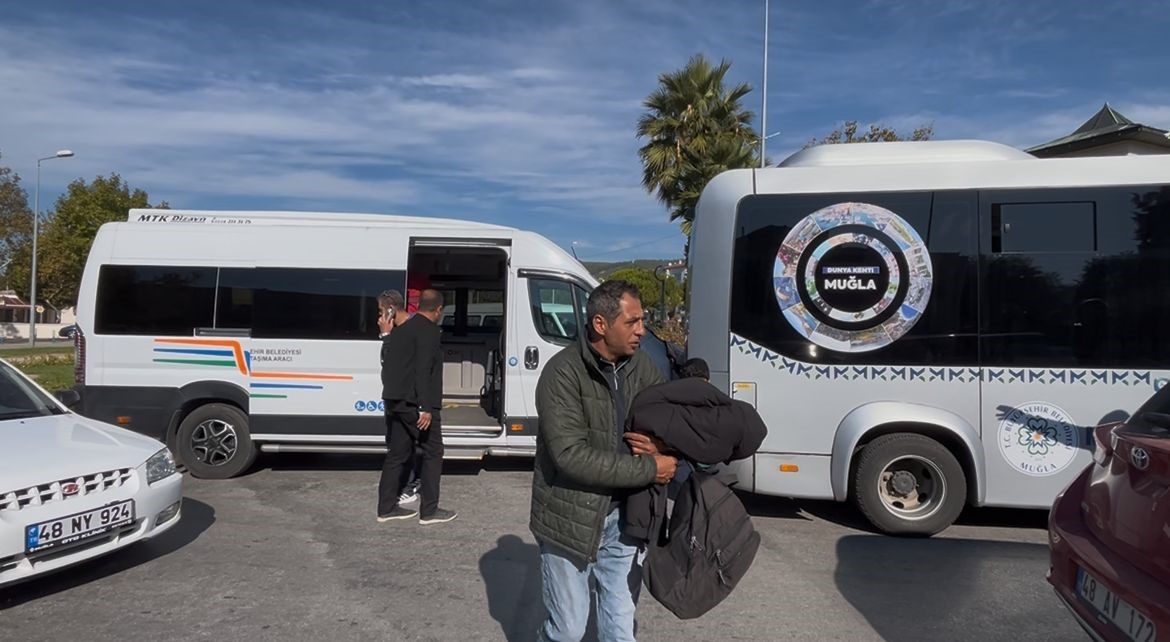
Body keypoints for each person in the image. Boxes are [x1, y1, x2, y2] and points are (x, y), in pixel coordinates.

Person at [530, 279, 679, 642]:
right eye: (632, 322)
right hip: (571, 518)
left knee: (619, 623)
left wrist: (662, 447)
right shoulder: (561, 374)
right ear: (600, 324)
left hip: (626, 517)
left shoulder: (641, 366)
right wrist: (650, 468)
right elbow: (571, 457)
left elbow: (667, 421)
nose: (642, 331)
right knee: (567, 628)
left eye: (642, 321)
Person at [376, 289, 456, 524]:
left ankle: (386, 508)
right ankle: (429, 511)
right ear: (439, 310)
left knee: (398, 454)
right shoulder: (429, 331)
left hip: (395, 401)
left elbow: (387, 365)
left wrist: (385, 336)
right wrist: (425, 407)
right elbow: (423, 370)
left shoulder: (398, 332)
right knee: (433, 452)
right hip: (415, 404)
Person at [376, 289, 423, 506]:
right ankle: (405, 482)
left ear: (391, 311)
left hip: (406, 399)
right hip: (397, 398)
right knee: (398, 445)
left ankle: (411, 484)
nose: (378, 318)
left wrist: (385, 336)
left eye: (380, 312)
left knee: (407, 444)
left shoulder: (405, 332)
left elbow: (391, 365)